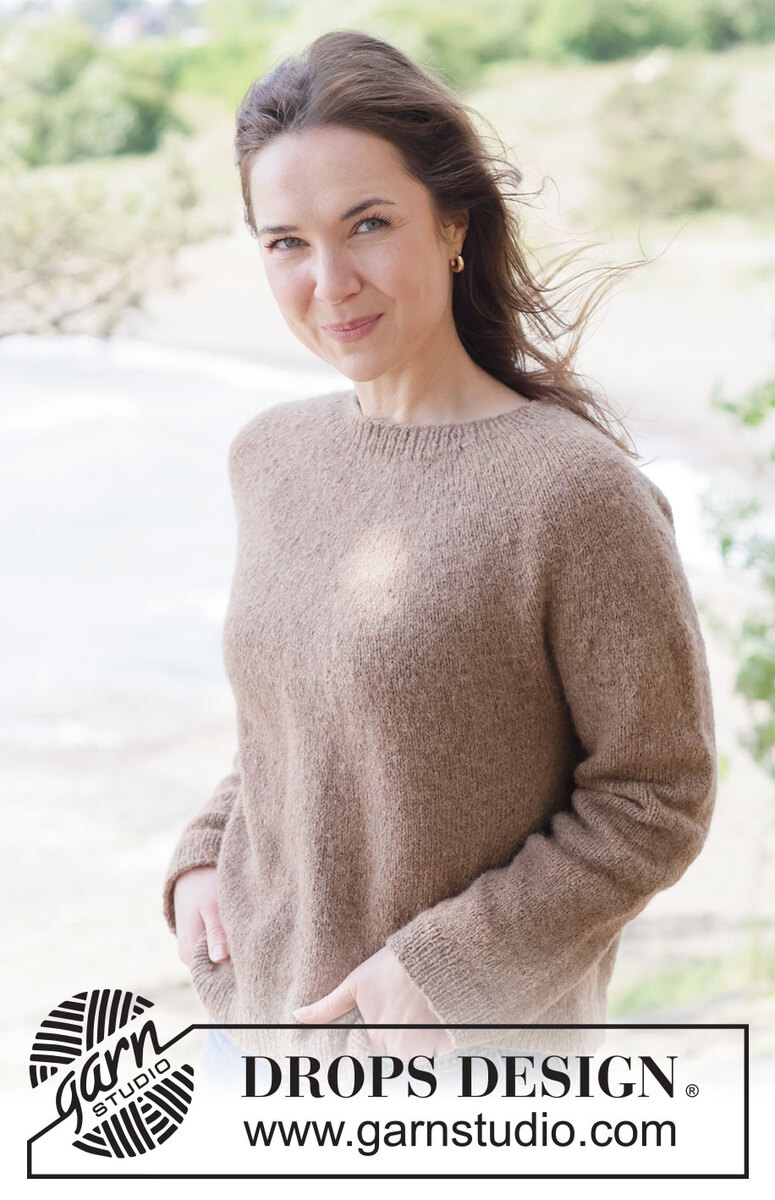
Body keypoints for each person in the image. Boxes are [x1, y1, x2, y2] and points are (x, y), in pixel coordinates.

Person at [162, 30, 717, 1079]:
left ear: (453, 223)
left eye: (367, 225)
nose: (330, 282)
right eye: (286, 243)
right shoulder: (269, 456)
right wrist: (204, 853)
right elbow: (294, 722)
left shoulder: (575, 492)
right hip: (261, 1042)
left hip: (469, 1071)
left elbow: (656, 796)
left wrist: (447, 966)